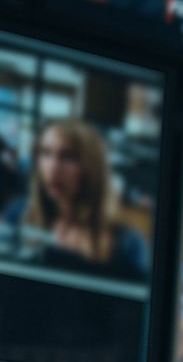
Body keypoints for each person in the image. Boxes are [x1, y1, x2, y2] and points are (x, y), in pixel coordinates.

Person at [1, 120, 150, 280]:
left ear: (91, 166)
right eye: (46, 153)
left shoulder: (127, 244)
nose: (53, 167)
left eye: (68, 156)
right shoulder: (18, 214)